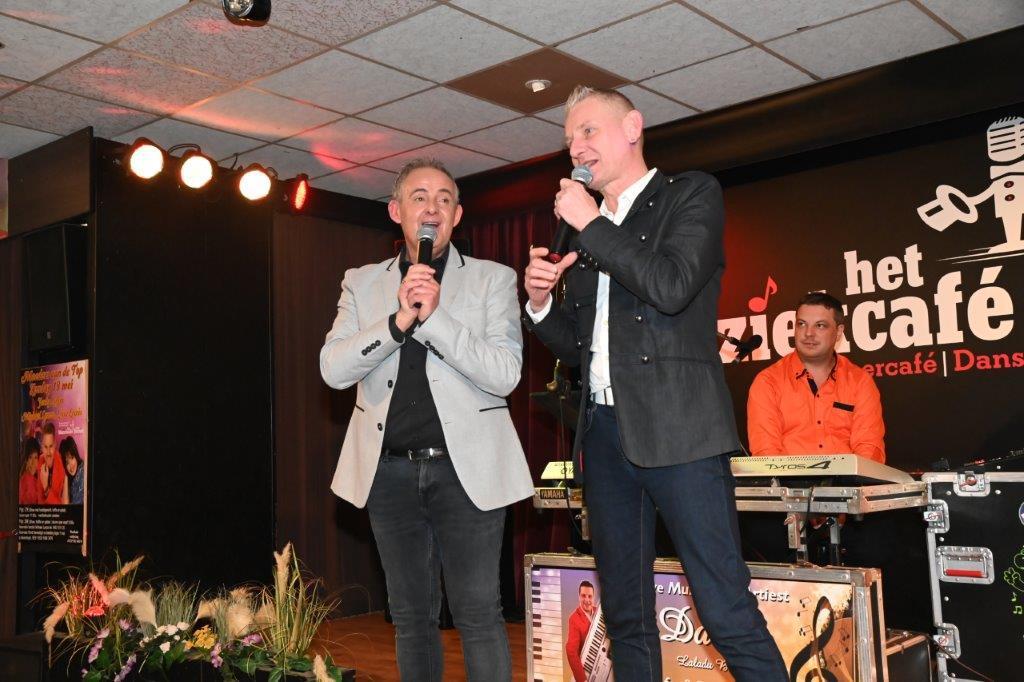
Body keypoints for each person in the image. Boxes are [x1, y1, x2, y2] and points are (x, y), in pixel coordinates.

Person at [523, 86, 786, 681]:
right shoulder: (586, 235)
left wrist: (591, 223)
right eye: (569, 139)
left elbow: (669, 287)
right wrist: (540, 304)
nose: (576, 148)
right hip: (604, 435)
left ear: (633, 127)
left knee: (724, 607)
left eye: (588, 130)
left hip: (682, 431)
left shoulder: (688, 195)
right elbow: (581, 347)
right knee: (624, 613)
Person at [320, 159, 534, 681]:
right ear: (397, 211)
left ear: (457, 215)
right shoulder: (361, 283)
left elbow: (505, 374)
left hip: (468, 472)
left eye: (444, 199)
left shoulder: (492, 279)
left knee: (478, 613)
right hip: (389, 473)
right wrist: (397, 322)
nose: (432, 208)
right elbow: (333, 369)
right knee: (411, 618)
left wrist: (435, 317)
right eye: (419, 197)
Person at [747, 292, 886, 462]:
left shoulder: (860, 381)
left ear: (839, 332)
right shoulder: (768, 382)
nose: (808, 333)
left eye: (820, 325)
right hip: (786, 478)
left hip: (847, 479)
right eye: (801, 324)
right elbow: (765, 454)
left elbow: (869, 450)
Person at [565, 580, 597, 682]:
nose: (587, 600)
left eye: (590, 596)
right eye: (583, 596)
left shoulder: (599, 613)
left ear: (593, 597)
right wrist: (582, 679)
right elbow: (571, 652)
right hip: (584, 672)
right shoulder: (574, 619)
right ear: (579, 597)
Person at [39, 422, 66, 505]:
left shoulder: (62, 464)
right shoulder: (40, 461)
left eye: (51, 446)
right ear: (41, 447)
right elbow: (39, 499)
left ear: (55, 445)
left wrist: (46, 487)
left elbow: (60, 507)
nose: (48, 452)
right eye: (45, 447)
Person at [19, 437, 45, 505]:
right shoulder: (24, 480)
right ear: (27, 460)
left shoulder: (40, 477)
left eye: (35, 457)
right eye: (30, 457)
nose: (33, 462)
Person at [60, 437, 85, 505]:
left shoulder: (83, 472)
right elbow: (65, 504)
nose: (70, 465)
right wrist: (66, 475)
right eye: (67, 463)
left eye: (72, 458)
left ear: (76, 456)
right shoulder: (71, 478)